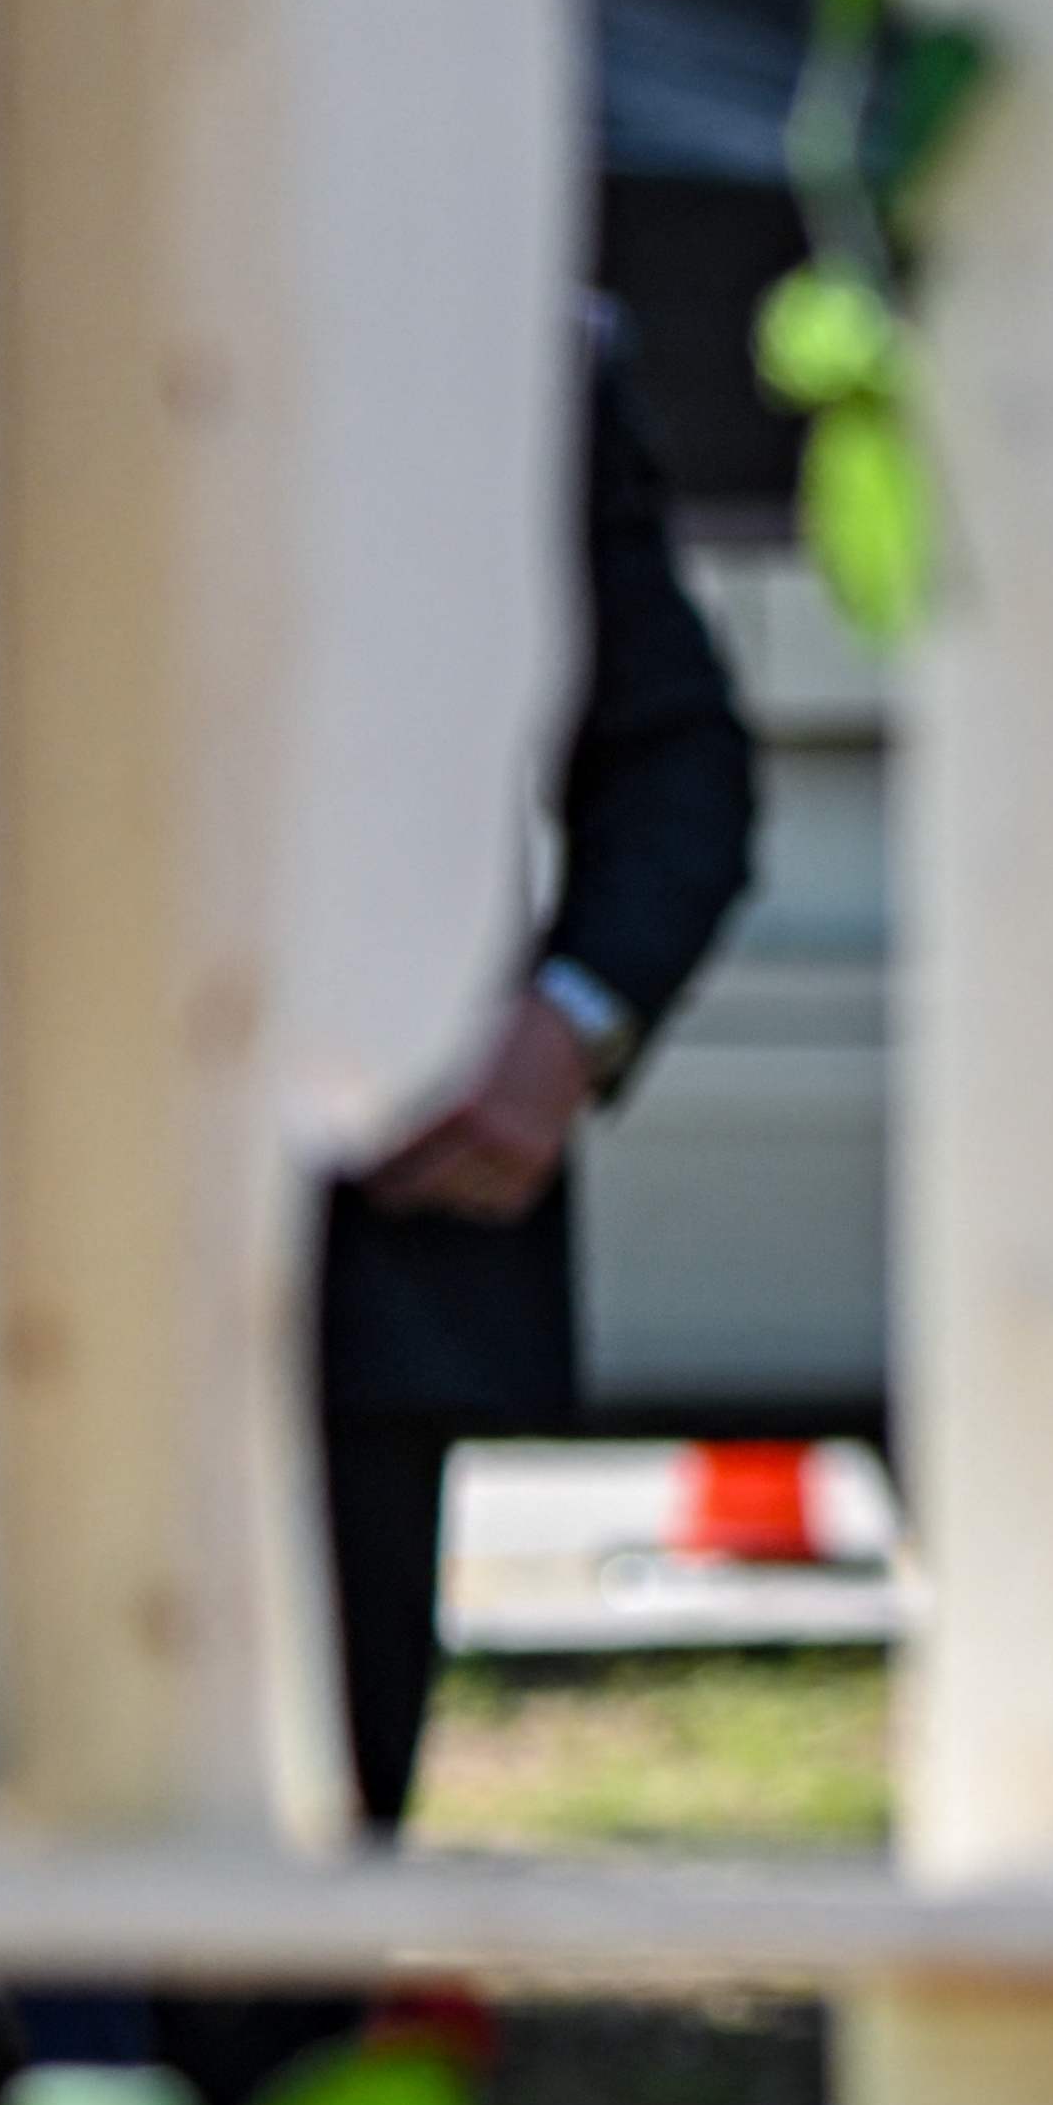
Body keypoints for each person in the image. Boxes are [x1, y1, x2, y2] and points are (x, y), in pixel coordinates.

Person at [315, 318, 759, 1836]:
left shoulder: (484, 332)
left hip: (349, 1276)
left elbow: (676, 763)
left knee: (277, 1987)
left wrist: (560, 1029)